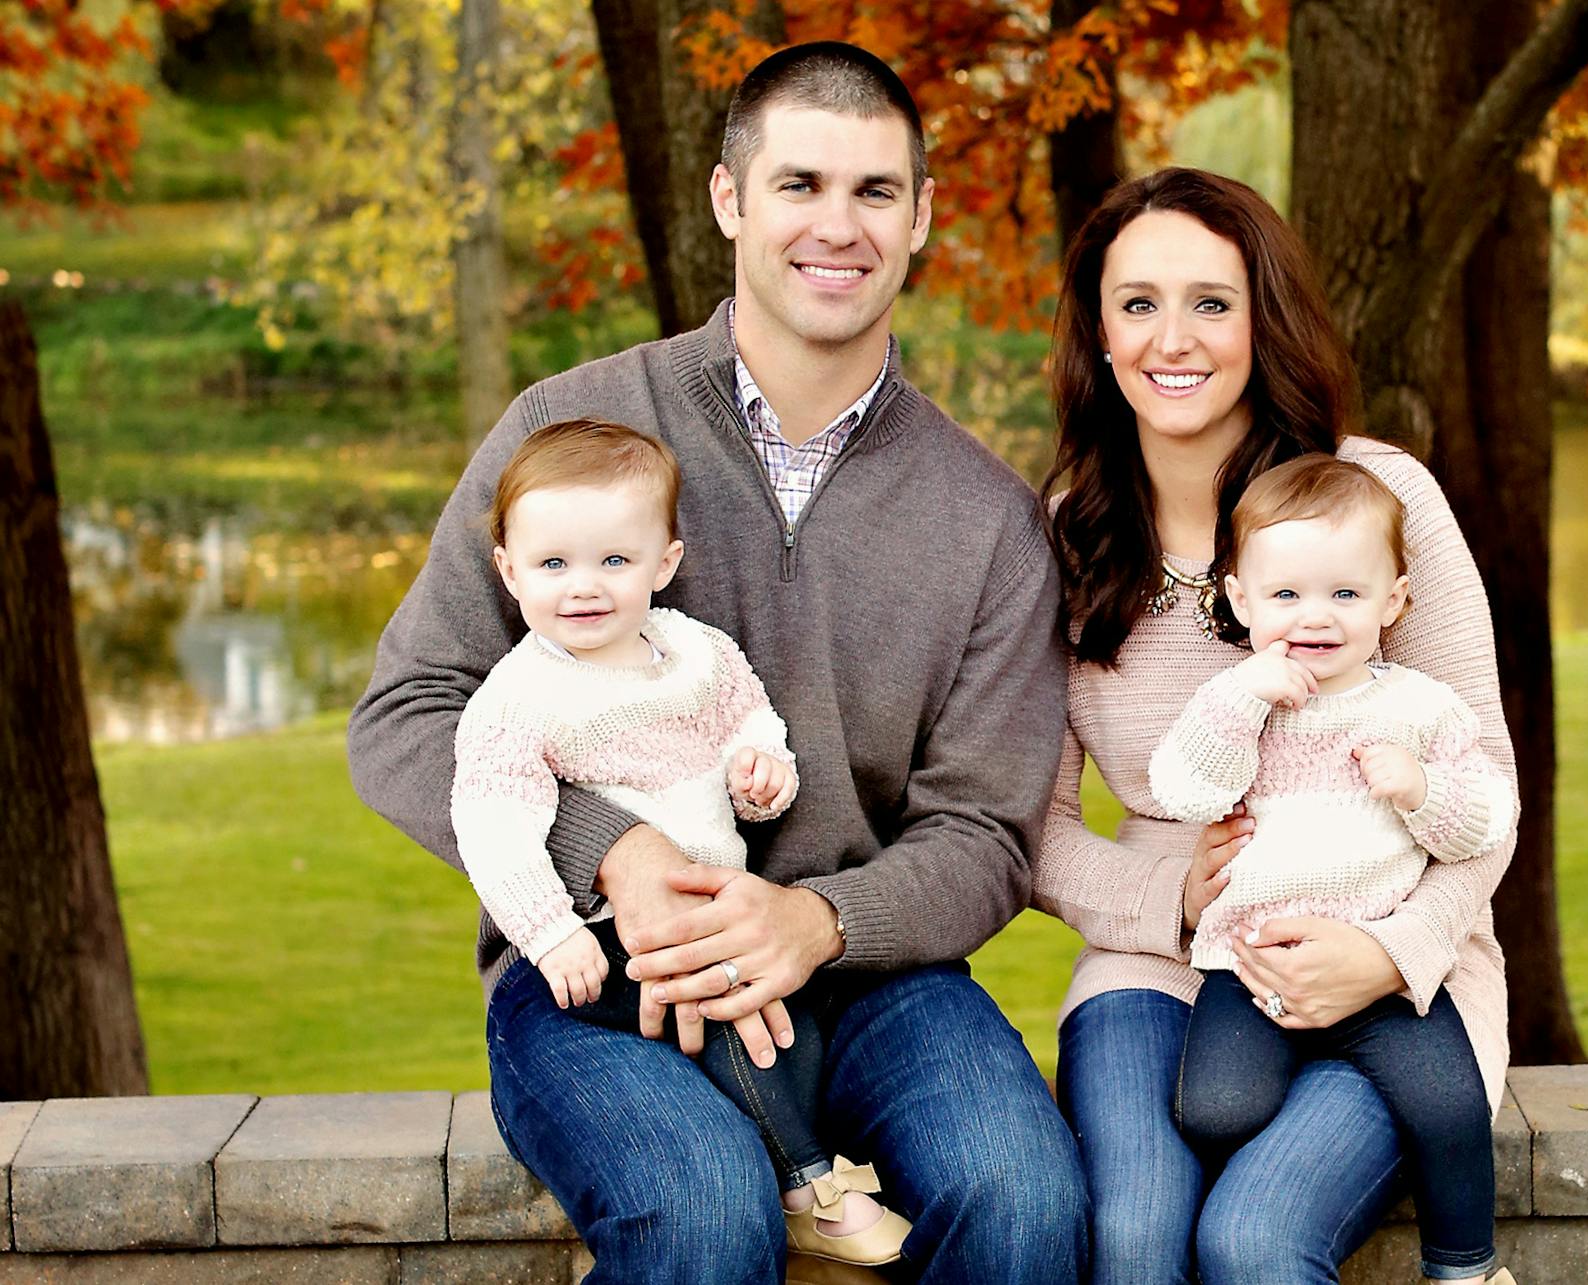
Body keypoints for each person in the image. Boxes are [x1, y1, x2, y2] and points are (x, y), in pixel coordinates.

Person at [349, 41, 1085, 1284]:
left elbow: (987, 833)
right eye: (800, 184)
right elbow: (409, 713)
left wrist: (818, 920)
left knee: (1024, 1199)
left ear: (920, 218)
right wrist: (613, 852)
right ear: (730, 198)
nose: (837, 226)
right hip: (607, 970)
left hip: (871, 978)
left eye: (875, 191)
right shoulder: (568, 431)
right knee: (701, 1210)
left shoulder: (988, 521)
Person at [1032, 165, 1519, 1284]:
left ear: (1264, 319)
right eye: (1138, 303)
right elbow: (1032, 826)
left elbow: (1485, 787)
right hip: (1161, 963)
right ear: (1099, 331)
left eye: (1212, 301)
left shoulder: (1376, 498)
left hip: (1389, 957)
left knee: (1253, 1240)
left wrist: (1388, 952)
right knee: (1136, 1237)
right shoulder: (1067, 535)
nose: (1174, 338)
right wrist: (1171, 895)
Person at [449, 418, 908, 1266]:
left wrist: (760, 771)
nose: (584, 587)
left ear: (664, 563)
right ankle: (811, 1185)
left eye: (613, 560)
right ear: (509, 570)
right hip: (596, 939)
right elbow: (492, 825)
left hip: (715, 908)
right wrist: (548, 930)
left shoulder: (696, 652)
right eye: (553, 565)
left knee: (779, 1012)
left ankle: (800, 1173)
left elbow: (750, 720)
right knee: (736, 1016)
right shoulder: (519, 698)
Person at [1148, 455, 1515, 1282]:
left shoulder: (1418, 707)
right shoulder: (1235, 701)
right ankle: (1301, 1082)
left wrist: (1422, 791)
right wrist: (1243, 697)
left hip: (1380, 968)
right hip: (1253, 964)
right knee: (1213, 1110)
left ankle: (1466, 1267)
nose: (1315, 616)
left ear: (1394, 600)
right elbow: (1183, 789)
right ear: (1241, 599)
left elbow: (1489, 819)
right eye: (1285, 594)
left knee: (1450, 1104)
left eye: (1346, 593)